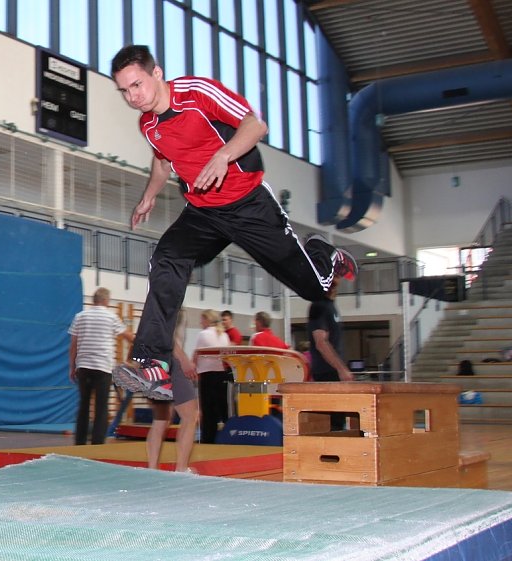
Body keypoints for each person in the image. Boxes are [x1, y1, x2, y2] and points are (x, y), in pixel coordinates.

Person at [109, 45, 357, 401]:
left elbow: (255, 124)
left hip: (248, 203)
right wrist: (149, 195)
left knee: (315, 290)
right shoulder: (148, 125)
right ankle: (154, 364)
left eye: (137, 85)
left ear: (157, 74)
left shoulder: (197, 93)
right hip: (203, 212)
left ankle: (324, 254)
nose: (133, 97)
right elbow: (163, 163)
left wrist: (224, 156)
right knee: (166, 258)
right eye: (125, 91)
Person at [68, 288, 135, 445]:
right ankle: (98, 442)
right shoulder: (111, 317)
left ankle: (80, 441)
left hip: (83, 366)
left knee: (84, 405)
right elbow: (129, 337)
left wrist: (72, 366)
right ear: (106, 301)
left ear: (93, 300)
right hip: (102, 367)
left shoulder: (80, 317)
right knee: (101, 406)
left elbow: (73, 345)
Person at [146, 310, 199, 472]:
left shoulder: (157, 303)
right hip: (170, 361)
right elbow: (167, 334)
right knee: (190, 416)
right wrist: (184, 360)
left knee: (161, 419)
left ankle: (152, 469)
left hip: (154, 361)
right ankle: (181, 469)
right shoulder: (172, 299)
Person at [193, 310, 231, 444]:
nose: (200, 323)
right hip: (220, 373)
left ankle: (208, 438)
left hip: (206, 373)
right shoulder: (224, 335)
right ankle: (226, 434)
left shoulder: (203, 334)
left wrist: (193, 369)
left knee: (208, 409)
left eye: (202, 320)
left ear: (207, 320)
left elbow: (196, 355)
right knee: (221, 406)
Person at [307, 277, 354, 383]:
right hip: (326, 372)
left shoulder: (331, 306)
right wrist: (341, 369)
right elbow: (321, 343)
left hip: (333, 372)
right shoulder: (318, 306)